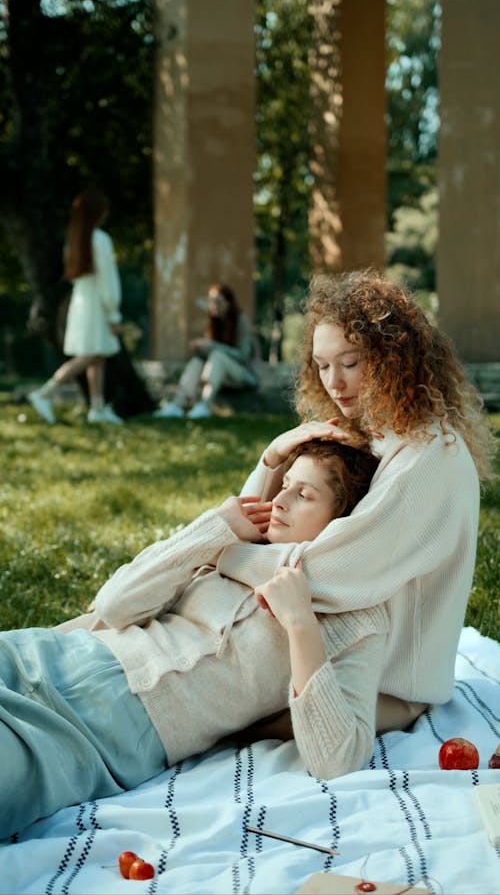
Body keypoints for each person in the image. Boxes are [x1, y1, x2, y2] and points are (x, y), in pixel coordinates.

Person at [0, 438, 385, 839]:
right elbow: (114, 606)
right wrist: (213, 528)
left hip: (102, 733)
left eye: (303, 494)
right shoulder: (239, 547)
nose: (281, 500)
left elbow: (338, 758)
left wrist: (300, 623)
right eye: (284, 483)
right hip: (50, 656)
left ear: (344, 524)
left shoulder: (354, 617)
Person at [215, 268, 496, 742]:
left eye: (350, 362)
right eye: (322, 366)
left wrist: (219, 552)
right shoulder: (375, 431)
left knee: (203, 712)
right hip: (343, 650)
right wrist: (272, 459)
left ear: (394, 359)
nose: (334, 383)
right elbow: (259, 522)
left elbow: (330, 571)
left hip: (386, 685)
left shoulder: (429, 457)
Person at [28, 190, 124, 426]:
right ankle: (45, 392)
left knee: (97, 355)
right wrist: (114, 312)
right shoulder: (99, 239)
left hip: (81, 299)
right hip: (95, 301)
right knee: (93, 353)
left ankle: (97, 407)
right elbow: (107, 280)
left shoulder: (74, 240)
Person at [154, 283, 259, 419]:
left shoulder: (241, 321)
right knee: (198, 360)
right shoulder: (214, 321)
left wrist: (211, 345)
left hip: (245, 376)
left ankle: (204, 405)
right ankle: (176, 405)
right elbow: (211, 351)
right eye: (211, 301)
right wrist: (202, 348)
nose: (213, 305)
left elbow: (243, 356)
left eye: (218, 301)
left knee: (217, 356)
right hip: (221, 374)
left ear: (228, 303)